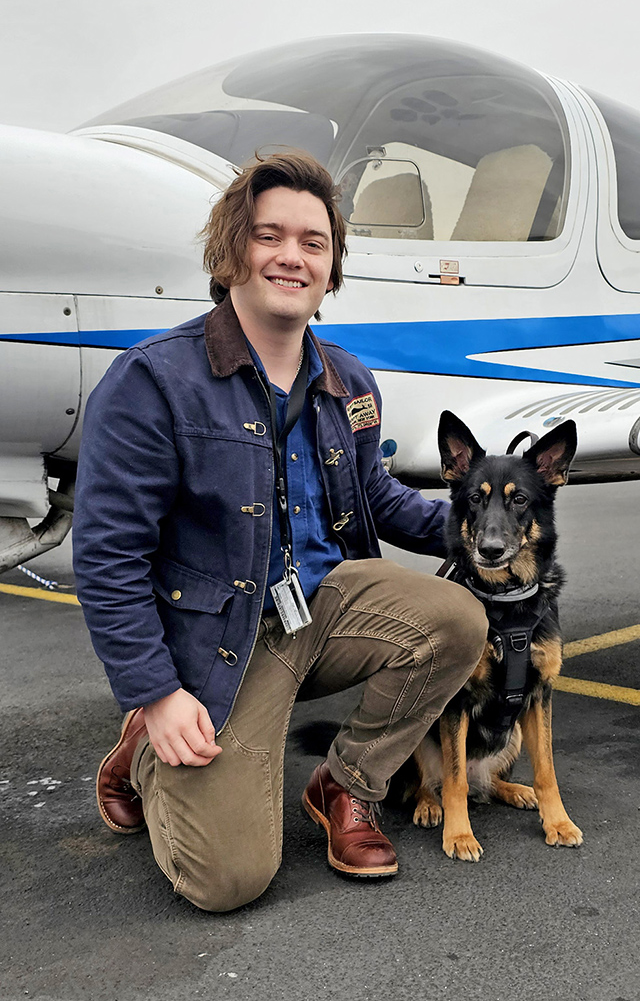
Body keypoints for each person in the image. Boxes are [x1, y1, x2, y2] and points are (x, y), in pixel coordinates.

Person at [72, 151, 487, 912]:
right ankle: (142, 746)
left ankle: (346, 784)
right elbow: (107, 558)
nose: (292, 257)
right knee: (225, 882)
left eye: (314, 243)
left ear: (331, 271)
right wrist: (157, 692)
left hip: (325, 606)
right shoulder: (152, 381)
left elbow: (373, 497)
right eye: (270, 236)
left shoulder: (349, 382)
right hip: (218, 635)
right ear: (232, 250)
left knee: (459, 618)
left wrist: (478, 535)